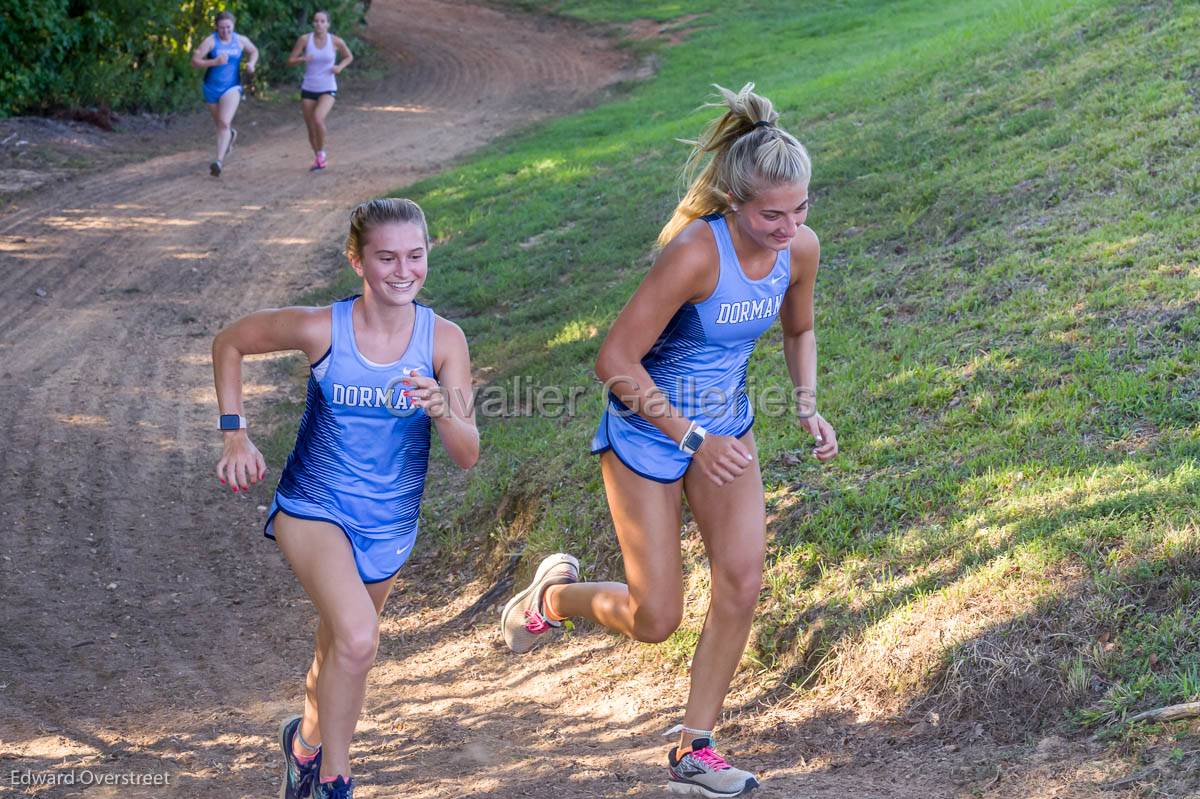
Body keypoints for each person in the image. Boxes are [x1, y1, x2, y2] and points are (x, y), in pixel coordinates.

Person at [500, 83, 838, 798]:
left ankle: (696, 747)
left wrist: (807, 402)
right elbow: (614, 361)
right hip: (648, 435)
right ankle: (553, 600)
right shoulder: (694, 254)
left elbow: (799, 328)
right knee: (657, 617)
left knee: (742, 579)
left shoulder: (798, 249)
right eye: (771, 214)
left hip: (726, 431)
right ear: (735, 203)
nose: (788, 226)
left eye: (800, 209)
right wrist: (692, 439)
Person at [213, 198, 479, 799]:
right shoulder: (321, 328)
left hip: (389, 524)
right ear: (357, 260)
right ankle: (335, 778)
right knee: (359, 638)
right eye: (386, 257)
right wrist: (236, 434)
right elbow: (230, 342)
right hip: (314, 507)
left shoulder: (443, 340)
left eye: (415, 255)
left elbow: (467, 453)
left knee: (339, 647)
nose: (402, 270)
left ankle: (304, 746)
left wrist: (441, 407)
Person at [191, 11, 259, 177]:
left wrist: (251, 63)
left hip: (232, 87)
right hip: (211, 88)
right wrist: (213, 62)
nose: (225, 31)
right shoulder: (210, 41)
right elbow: (195, 62)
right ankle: (230, 135)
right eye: (221, 28)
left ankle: (218, 162)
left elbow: (254, 51)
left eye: (228, 27)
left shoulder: (240, 40)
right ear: (216, 27)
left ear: (233, 26)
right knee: (221, 125)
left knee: (223, 123)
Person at [287, 10, 354, 171]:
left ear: (328, 24)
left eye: (323, 21)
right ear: (313, 23)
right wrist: (302, 58)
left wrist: (340, 67)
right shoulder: (304, 39)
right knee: (310, 127)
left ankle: (322, 153)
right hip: (309, 87)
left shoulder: (336, 41)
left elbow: (349, 56)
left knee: (318, 118)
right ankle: (318, 156)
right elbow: (290, 60)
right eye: (316, 21)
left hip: (328, 87)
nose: (319, 24)